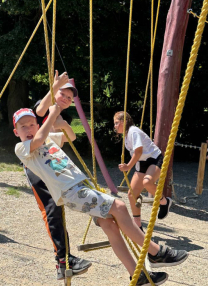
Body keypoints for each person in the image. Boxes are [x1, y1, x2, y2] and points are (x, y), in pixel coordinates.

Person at [13, 106, 188, 285]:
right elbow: (38, 139)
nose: (29, 129)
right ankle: (156, 252)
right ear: (16, 132)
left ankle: (137, 275)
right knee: (119, 206)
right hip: (71, 191)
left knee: (109, 225)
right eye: (23, 127)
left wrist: (64, 123)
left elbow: (70, 137)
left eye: (32, 124)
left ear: (37, 125)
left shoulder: (48, 139)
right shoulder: (22, 148)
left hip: (80, 186)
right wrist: (53, 113)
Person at [23, 70, 91, 280]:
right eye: (63, 94)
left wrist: (63, 124)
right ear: (55, 93)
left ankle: (66, 257)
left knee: (58, 210)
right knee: (51, 210)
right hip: (37, 167)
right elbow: (41, 109)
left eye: (70, 98)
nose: (66, 99)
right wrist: (54, 88)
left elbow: (72, 137)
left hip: (54, 169)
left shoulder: (62, 117)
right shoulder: (42, 112)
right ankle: (62, 260)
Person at [114, 111, 172, 232]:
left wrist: (128, 166)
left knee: (147, 182)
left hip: (154, 159)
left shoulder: (133, 131)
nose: (114, 126)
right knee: (131, 194)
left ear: (123, 122)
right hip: (142, 163)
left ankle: (164, 202)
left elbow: (138, 151)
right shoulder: (126, 135)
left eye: (116, 123)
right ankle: (138, 226)